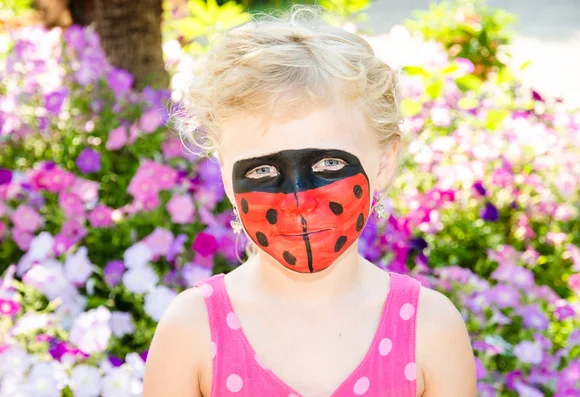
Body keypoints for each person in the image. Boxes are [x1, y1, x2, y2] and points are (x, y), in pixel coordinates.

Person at [143, 5, 476, 396]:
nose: (298, 201)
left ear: (384, 162)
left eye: (330, 163)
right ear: (227, 178)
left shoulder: (429, 331)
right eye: (263, 171)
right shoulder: (192, 331)